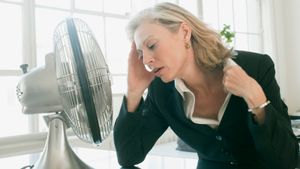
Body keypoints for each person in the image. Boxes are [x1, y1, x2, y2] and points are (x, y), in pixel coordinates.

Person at [113, 2, 299, 169]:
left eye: (151, 45)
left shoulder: (257, 67)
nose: (146, 60)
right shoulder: (160, 90)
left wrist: (256, 98)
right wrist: (134, 91)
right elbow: (128, 156)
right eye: (140, 54)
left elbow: (288, 160)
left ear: (185, 32)